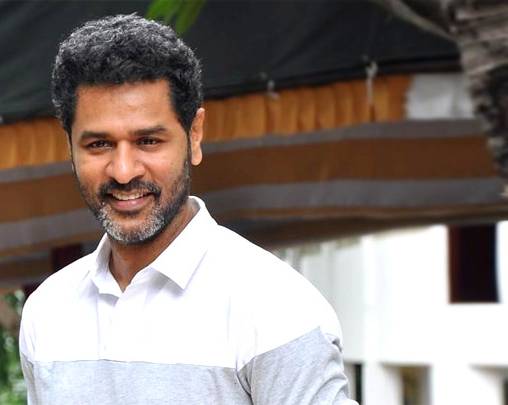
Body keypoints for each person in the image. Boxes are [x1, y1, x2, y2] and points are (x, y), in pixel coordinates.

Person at [19, 14, 357, 404]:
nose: (124, 171)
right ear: (70, 147)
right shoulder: (48, 311)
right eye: (99, 145)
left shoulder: (275, 307)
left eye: (148, 141)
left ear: (194, 136)